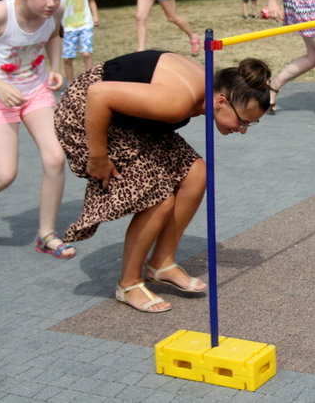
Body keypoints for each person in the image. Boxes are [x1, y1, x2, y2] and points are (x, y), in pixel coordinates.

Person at [54, 50, 272, 312]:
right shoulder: (177, 101)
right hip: (87, 114)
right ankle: (128, 284)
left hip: (133, 117)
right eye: (243, 121)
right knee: (159, 199)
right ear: (221, 101)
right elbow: (97, 94)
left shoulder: (207, 88)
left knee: (196, 174)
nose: (243, 130)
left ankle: (161, 263)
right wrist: (98, 157)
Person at [0, 0, 74, 259]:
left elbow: (54, 36)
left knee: (55, 157)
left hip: (35, 91)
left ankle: (47, 235)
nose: (51, 3)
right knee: (4, 175)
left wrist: (55, 68)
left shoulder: (55, 11)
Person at [58, 0, 99, 83]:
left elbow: (91, 0)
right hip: (68, 27)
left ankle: (90, 81)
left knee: (86, 54)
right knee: (68, 58)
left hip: (85, 24)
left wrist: (95, 16)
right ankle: (70, 83)